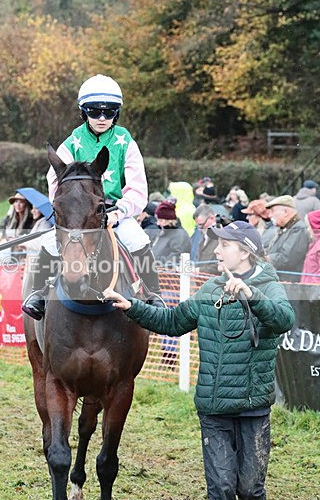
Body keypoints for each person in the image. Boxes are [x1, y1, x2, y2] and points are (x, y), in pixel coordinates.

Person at [103, 221, 295, 500]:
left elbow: (285, 320)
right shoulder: (210, 289)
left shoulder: (269, 285)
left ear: (245, 251)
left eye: (223, 246)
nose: (216, 252)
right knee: (221, 485)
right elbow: (173, 321)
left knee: (251, 488)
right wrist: (132, 307)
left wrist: (252, 296)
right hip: (213, 408)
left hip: (253, 407)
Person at [22, 74, 164, 320]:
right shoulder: (72, 142)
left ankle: (153, 294)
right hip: (77, 213)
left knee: (138, 239)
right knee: (47, 241)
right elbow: (53, 179)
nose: (101, 118)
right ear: (83, 112)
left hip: (115, 210)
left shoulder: (126, 141)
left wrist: (120, 212)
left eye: (108, 113)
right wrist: (67, 211)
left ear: (116, 113)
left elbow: (138, 187)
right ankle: (39, 294)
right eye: (94, 111)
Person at [265, 195, 310, 282]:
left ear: (285, 211)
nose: (269, 215)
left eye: (272, 211)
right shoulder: (286, 229)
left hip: (290, 284)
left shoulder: (298, 229)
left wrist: (264, 258)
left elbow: (286, 259)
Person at [151, 200, 192, 267]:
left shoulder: (179, 235)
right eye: (157, 220)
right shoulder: (163, 232)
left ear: (170, 220)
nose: (158, 223)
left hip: (168, 275)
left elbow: (176, 257)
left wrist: (158, 265)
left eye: (161, 220)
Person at [193, 204, 219, 274]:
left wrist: (199, 270)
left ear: (212, 218)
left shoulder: (222, 237)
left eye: (201, 224)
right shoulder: (204, 234)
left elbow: (220, 266)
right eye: (198, 225)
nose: (199, 228)